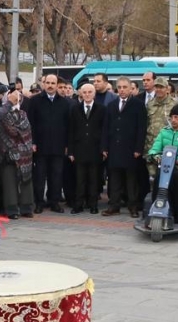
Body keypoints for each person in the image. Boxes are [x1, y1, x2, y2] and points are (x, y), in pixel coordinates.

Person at [102, 77, 147, 218]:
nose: (122, 90)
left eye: (124, 87)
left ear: (130, 88)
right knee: (114, 179)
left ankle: (132, 206)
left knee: (131, 180)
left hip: (131, 149)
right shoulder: (111, 105)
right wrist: (104, 147)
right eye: (119, 87)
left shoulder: (138, 105)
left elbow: (142, 128)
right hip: (114, 148)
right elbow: (106, 127)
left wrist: (138, 148)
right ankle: (114, 205)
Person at [26, 74, 70, 213]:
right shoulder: (34, 101)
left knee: (56, 176)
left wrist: (67, 145)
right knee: (39, 176)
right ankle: (39, 202)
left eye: (53, 83)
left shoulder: (64, 103)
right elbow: (30, 123)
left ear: (57, 85)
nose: (50, 85)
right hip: (40, 146)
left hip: (58, 146)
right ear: (43, 84)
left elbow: (68, 126)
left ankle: (54, 202)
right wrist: (32, 142)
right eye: (48, 83)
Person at [148, 105, 178, 225]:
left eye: (176, 117)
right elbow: (154, 149)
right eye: (172, 117)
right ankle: (157, 209)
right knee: (159, 177)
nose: (173, 120)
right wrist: (155, 156)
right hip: (165, 166)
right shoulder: (164, 132)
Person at [0, 90, 36, 219]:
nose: (16, 100)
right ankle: (11, 209)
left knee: (26, 180)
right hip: (8, 152)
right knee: (9, 181)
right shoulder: (1, 114)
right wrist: (12, 147)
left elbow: (26, 130)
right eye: (13, 98)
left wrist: (22, 145)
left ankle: (27, 207)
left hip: (25, 151)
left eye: (18, 98)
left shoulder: (23, 113)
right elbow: (3, 133)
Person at [68, 83, 106, 214]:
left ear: (94, 94)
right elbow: (71, 131)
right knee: (80, 180)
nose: (87, 94)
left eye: (90, 92)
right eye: (85, 92)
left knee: (94, 180)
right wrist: (71, 151)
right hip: (79, 150)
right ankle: (78, 204)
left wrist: (103, 149)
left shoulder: (102, 109)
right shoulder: (75, 109)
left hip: (95, 150)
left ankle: (93, 204)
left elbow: (104, 131)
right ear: (80, 94)